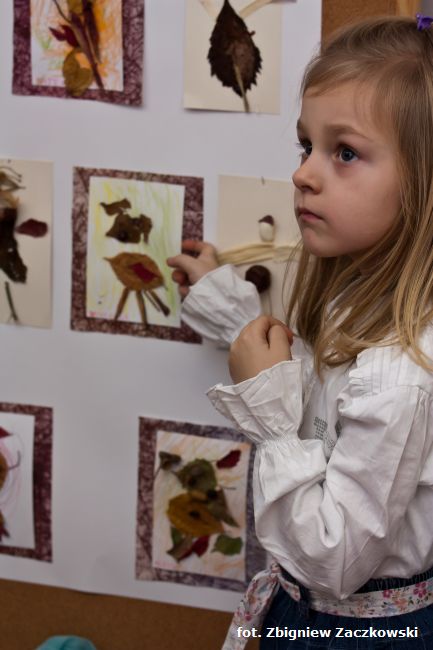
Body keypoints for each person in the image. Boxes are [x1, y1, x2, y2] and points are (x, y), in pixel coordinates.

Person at [167, 14, 433, 649]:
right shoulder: (361, 299)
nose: (303, 174)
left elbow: (334, 559)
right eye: (305, 146)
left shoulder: (401, 375)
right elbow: (316, 371)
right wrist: (225, 307)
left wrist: (272, 421)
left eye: (345, 152)